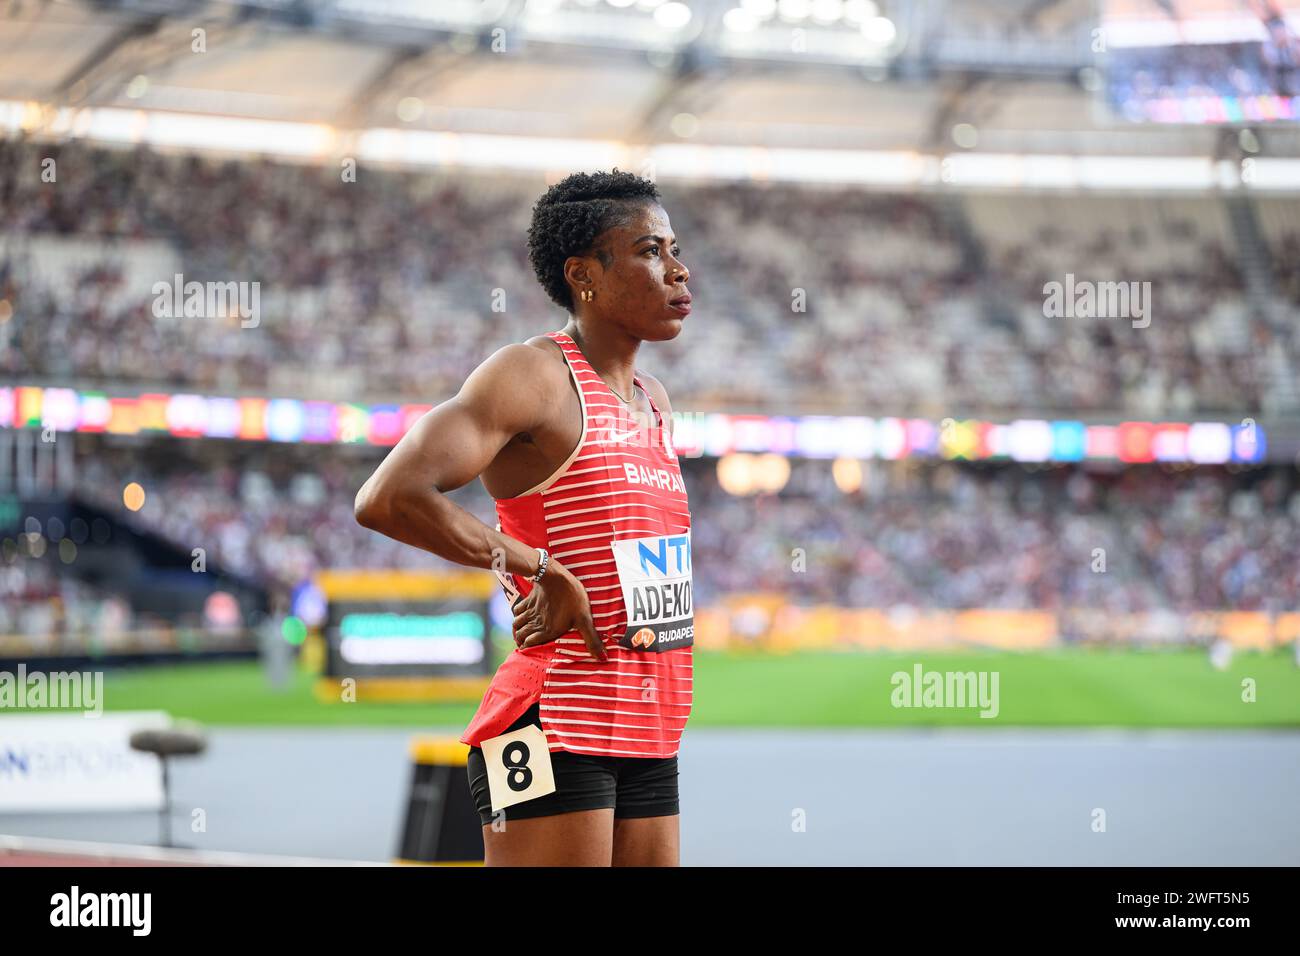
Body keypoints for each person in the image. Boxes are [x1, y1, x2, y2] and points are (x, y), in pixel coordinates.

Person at [355, 169, 694, 866]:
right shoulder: (531, 377)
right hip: (549, 720)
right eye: (650, 251)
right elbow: (388, 497)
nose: (678, 269)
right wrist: (539, 567)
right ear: (584, 275)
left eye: (674, 249)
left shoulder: (655, 400)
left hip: (647, 725)